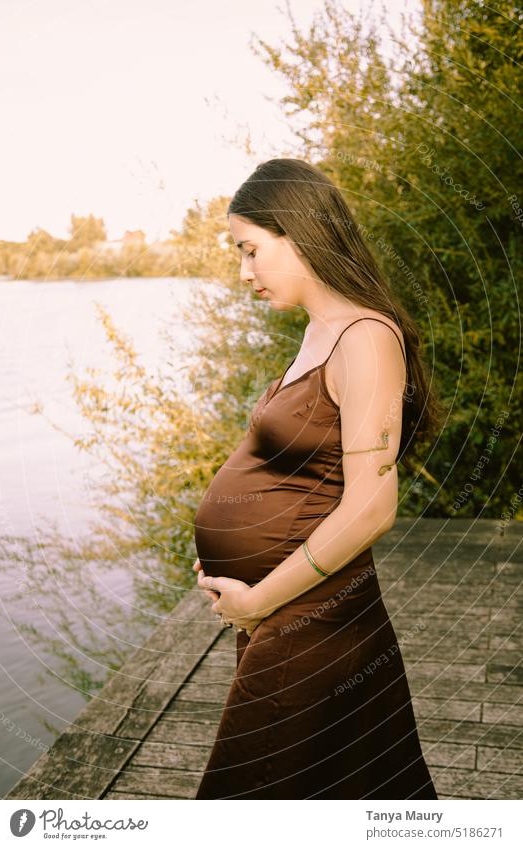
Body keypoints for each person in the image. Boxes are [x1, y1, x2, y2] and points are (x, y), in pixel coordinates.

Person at [192, 157, 442, 799]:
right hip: (284, 612)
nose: (243, 272)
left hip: (312, 620)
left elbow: (371, 507)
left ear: (298, 233)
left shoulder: (365, 339)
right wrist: (233, 562)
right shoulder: (319, 331)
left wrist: (261, 597)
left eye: (250, 251)